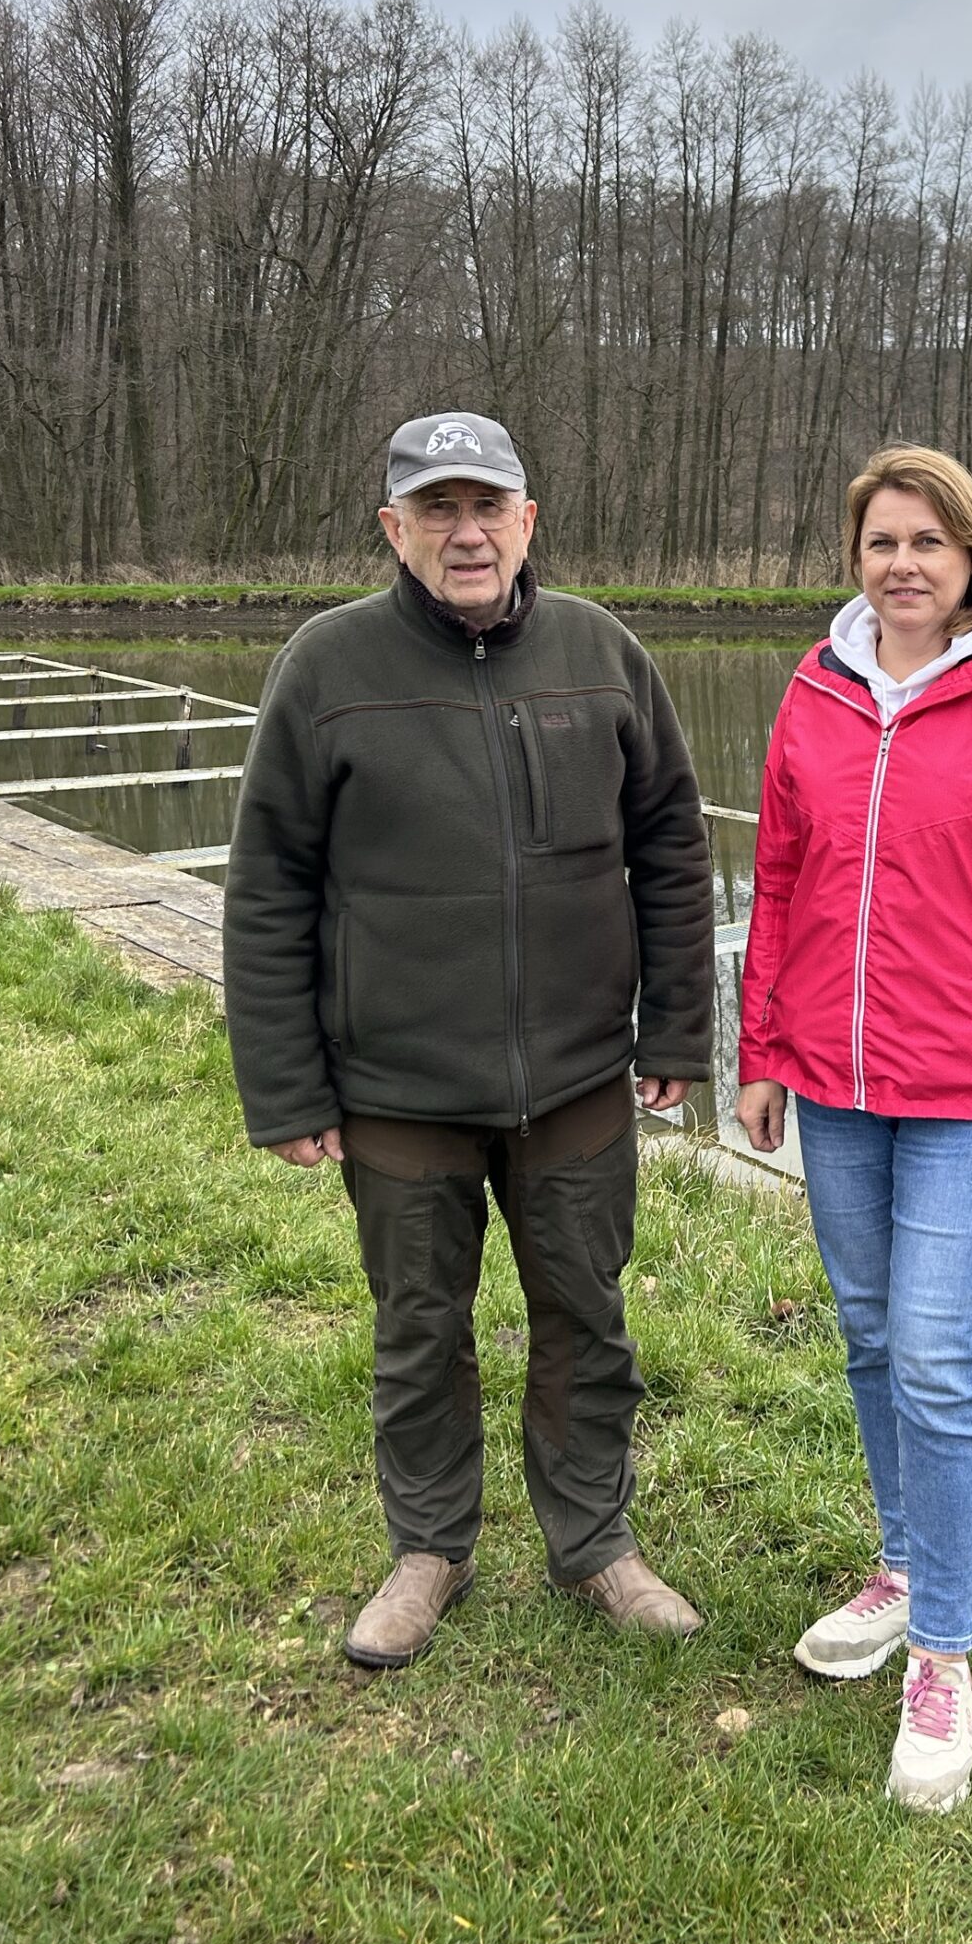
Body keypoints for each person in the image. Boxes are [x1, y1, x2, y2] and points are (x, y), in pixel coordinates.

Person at [223, 411, 713, 1670]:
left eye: (486, 504)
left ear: (529, 519)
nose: (466, 531)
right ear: (393, 529)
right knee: (419, 1325)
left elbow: (671, 845)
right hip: (397, 1085)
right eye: (436, 509)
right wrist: (285, 1086)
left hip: (578, 1082)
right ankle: (429, 1547)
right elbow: (270, 881)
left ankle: (594, 1541)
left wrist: (679, 1028)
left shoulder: (603, 654)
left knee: (585, 1317)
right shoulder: (326, 668)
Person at [735, 445, 972, 1810]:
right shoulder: (815, 691)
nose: (901, 563)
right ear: (858, 559)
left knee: (943, 1359)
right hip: (836, 1086)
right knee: (871, 1335)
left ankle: (945, 1658)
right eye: (880, 540)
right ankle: (901, 1570)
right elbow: (778, 883)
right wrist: (763, 1052)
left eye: (927, 541)